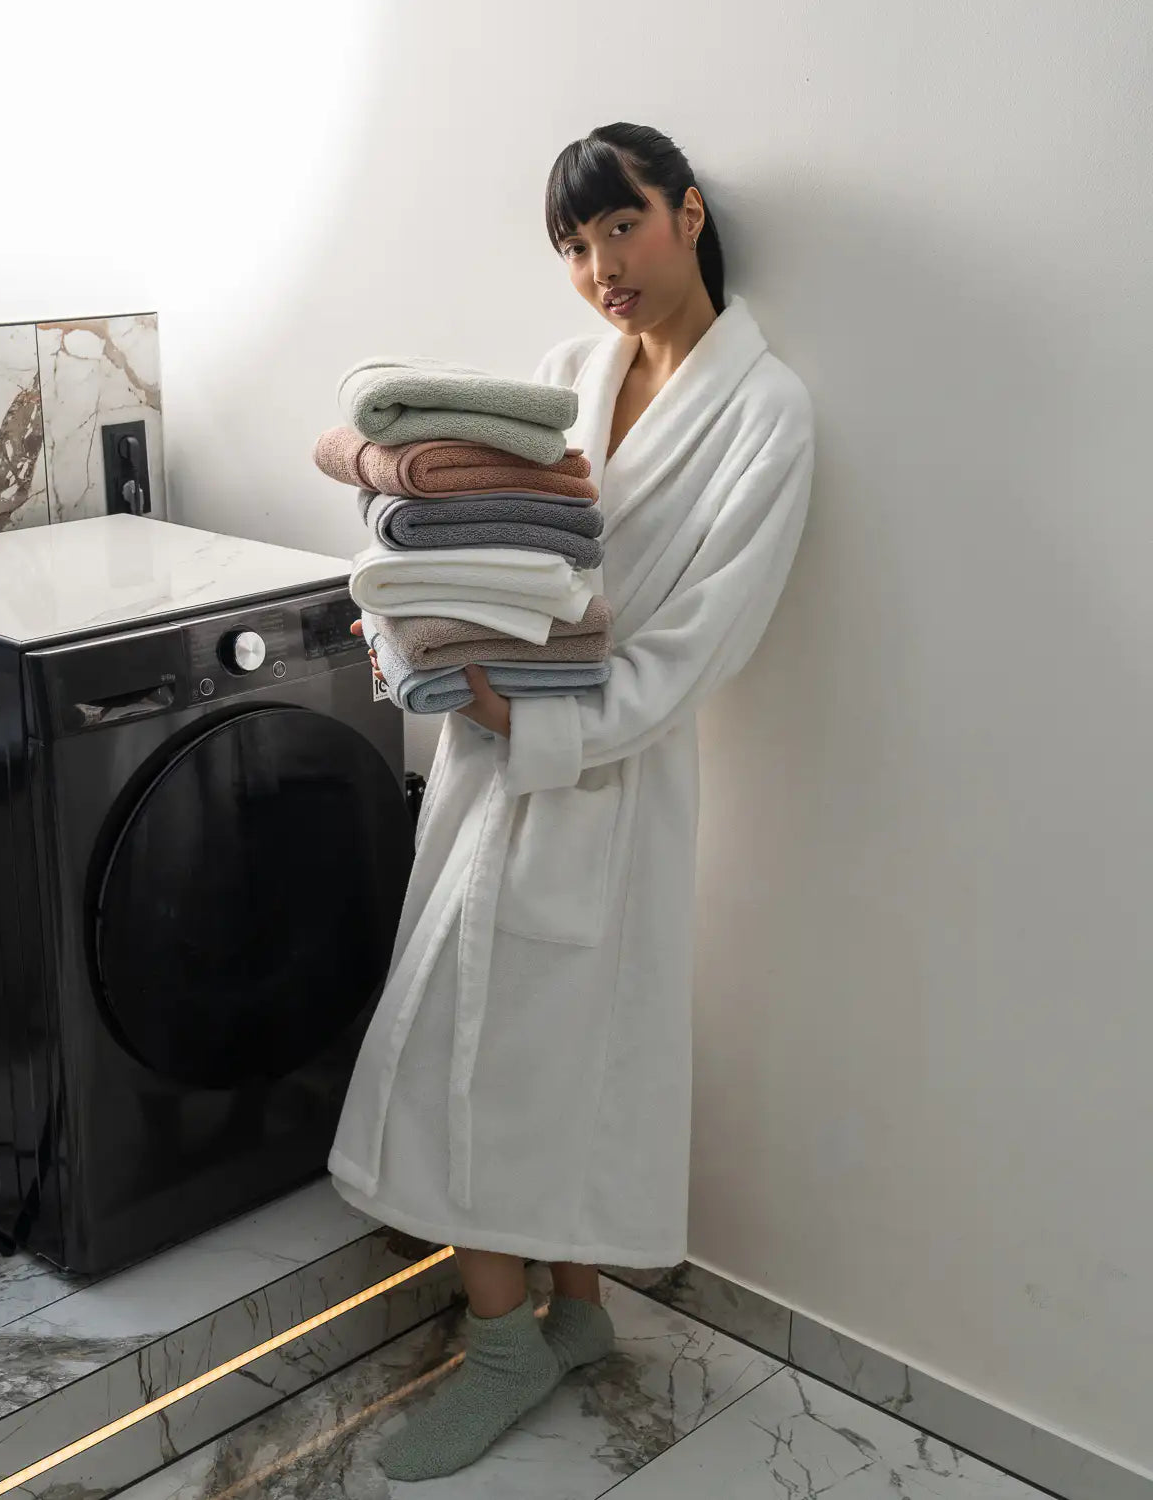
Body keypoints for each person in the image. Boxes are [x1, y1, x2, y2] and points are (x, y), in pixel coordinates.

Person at [334, 121, 816, 1482]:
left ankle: (515, 1349)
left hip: (609, 772)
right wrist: (419, 636)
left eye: (622, 224)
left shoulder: (767, 415)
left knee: (531, 1064)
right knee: (507, 1051)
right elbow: (464, 538)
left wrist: (540, 721)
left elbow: (704, 641)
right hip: (488, 756)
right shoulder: (561, 380)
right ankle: (567, 1320)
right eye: (573, 243)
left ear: (689, 214)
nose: (603, 265)